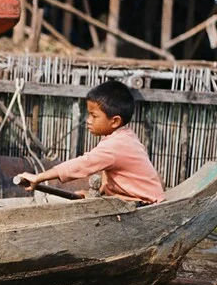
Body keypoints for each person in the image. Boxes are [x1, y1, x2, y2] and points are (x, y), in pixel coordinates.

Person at [15, 80, 165, 204]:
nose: (88, 121)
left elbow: (82, 164)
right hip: (136, 199)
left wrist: (38, 177)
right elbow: (112, 175)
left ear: (115, 121)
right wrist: (95, 194)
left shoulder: (116, 145)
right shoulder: (124, 136)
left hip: (145, 204)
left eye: (94, 116)